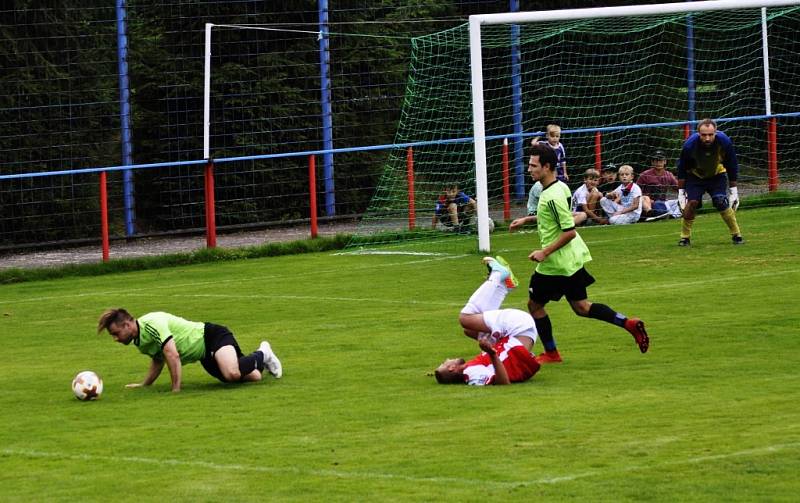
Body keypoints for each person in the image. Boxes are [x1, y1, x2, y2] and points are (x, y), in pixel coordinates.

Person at [525, 142, 650, 363]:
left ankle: (552, 353)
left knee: (534, 306)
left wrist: (544, 252)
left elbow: (569, 232)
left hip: (556, 264)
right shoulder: (561, 187)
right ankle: (628, 323)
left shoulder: (550, 196)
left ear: (546, 167)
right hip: (572, 260)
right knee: (582, 307)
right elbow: (562, 217)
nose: (529, 169)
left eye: (533, 165)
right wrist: (527, 219)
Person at [97, 309, 283, 392]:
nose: (115, 339)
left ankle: (263, 352)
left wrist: (176, 389)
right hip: (204, 356)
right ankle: (260, 362)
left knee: (232, 373)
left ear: (128, 324)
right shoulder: (138, 340)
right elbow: (158, 359)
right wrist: (144, 384)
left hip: (212, 336)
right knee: (254, 377)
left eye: (116, 333)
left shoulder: (152, 323)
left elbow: (172, 354)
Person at [435, 256, 541, 385]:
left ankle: (504, 286)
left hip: (522, 333)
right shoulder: (472, 373)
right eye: (444, 363)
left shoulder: (472, 369)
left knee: (469, 330)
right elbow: (504, 382)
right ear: (451, 369)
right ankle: (498, 275)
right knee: (465, 318)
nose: (446, 359)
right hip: (518, 327)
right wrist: (491, 352)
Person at [677, 118, 744, 246]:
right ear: (698, 134)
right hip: (695, 176)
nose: (707, 138)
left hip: (717, 175)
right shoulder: (689, 146)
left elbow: (732, 165)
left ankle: (737, 235)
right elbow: (682, 168)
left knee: (720, 201)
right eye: (703, 135)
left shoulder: (724, 142)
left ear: (716, 132)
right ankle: (685, 237)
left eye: (710, 134)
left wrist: (734, 192)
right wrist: (681, 193)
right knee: (691, 203)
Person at [637, 149, 680, 221]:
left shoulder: (669, 175)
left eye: (660, 160)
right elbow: (636, 192)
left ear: (665, 161)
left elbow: (678, 188)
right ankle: (668, 214)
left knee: (679, 202)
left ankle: (671, 215)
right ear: (652, 162)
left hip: (664, 201)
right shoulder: (644, 175)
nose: (658, 163)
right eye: (656, 160)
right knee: (658, 205)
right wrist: (647, 200)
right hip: (650, 203)